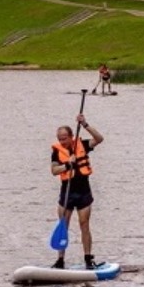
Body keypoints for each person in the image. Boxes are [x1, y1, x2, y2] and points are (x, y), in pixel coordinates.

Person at [50, 113, 105, 270]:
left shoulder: (82, 145)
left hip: (83, 193)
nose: (62, 141)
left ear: (71, 136)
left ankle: (88, 259)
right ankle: (60, 260)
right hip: (66, 193)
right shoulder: (57, 151)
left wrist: (85, 124)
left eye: (65, 138)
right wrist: (68, 164)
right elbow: (54, 170)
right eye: (60, 138)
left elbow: (100, 139)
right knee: (63, 226)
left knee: (84, 225)